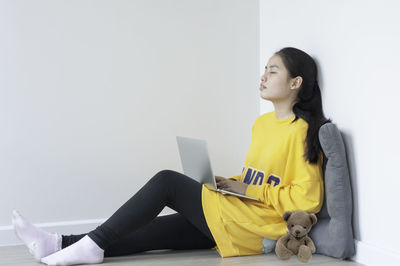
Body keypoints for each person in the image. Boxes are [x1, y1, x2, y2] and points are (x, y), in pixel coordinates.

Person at [11, 47, 331, 266]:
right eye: (264, 69)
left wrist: (245, 190)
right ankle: (56, 243)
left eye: (272, 71)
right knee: (149, 233)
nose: (263, 76)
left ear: (295, 83)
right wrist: (230, 182)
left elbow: (307, 199)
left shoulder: (304, 130)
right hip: (235, 210)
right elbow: (258, 176)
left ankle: (89, 246)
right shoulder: (262, 124)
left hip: (256, 225)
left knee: (167, 181)